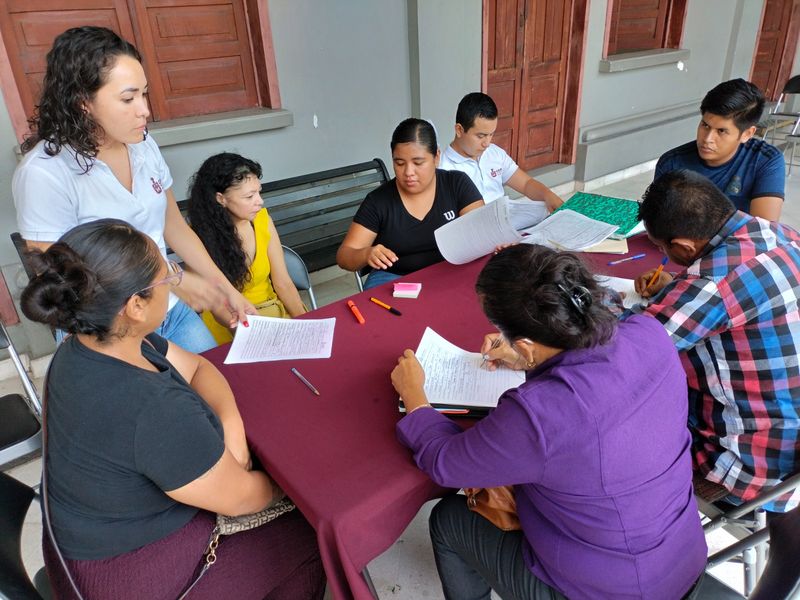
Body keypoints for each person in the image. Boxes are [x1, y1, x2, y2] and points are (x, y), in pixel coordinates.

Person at [20, 219, 326, 599]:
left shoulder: (89, 346)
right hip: (128, 575)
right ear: (134, 305)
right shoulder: (149, 406)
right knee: (310, 531)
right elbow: (241, 499)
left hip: (89, 541)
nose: (174, 284)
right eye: (168, 278)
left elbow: (199, 367)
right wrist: (298, 483)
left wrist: (231, 429)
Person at [390, 244, 706, 600]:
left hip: (613, 590)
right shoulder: (650, 335)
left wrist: (415, 396)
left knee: (449, 519)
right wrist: (533, 358)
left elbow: (446, 464)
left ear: (525, 345)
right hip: (682, 558)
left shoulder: (539, 413)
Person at [12, 26, 256, 353]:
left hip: (168, 309)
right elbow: (60, 279)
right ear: (83, 102)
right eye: (128, 98)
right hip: (106, 329)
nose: (144, 110)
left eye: (144, 94)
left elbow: (174, 227)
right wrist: (170, 278)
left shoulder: (143, 145)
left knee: (212, 388)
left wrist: (224, 290)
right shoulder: (44, 172)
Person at [629, 169, 800, 512]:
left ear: (683, 247)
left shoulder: (711, 284)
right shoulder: (784, 236)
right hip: (791, 450)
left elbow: (629, 352)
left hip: (748, 468)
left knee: (614, 423)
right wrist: (677, 290)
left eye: (664, 250)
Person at [337, 118, 484, 289]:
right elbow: (345, 256)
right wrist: (366, 254)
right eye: (399, 163)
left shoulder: (456, 184)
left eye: (418, 163)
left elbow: (481, 233)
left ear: (436, 157)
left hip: (449, 269)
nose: (408, 172)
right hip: (392, 278)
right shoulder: (378, 201)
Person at [188, 153, 308, 344]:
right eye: (249, 196)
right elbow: (213, 302)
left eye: (259, 192)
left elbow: (283, 282)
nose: (260, 201)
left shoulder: (262, 220)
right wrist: (251, 335)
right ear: (221, 199)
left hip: (272, 314)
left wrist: (305, 324)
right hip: (229, 325)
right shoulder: (197, 238)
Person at [654, 78, 785, 221]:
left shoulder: (765, 160)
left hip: (739, 242)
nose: (707, 138)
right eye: (705, 125)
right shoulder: (672, 163)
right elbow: (658, 224)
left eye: (721, 131)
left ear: (747, 134)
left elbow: (762, 232)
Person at [438, 92, 563, 211]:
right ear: (459, 130)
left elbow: (526, 184)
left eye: (491, 134)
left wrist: (548, 195)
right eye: (480, 136)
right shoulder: (443, 169)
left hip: (505, 221)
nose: (486, 143)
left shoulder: (494, 153)